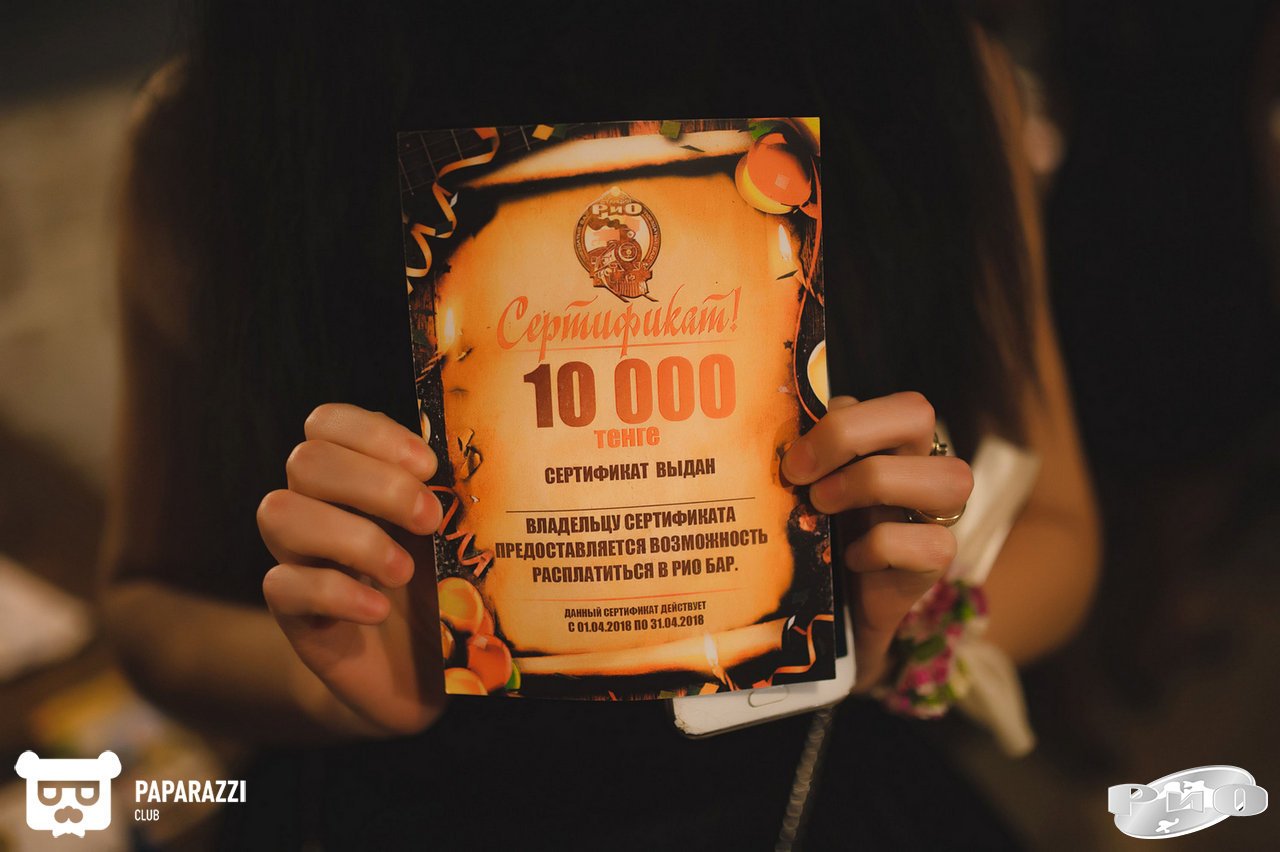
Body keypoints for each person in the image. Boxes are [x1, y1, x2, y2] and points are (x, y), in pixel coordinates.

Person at [100, 2, 1099, 848]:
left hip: (811, 791)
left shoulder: (917, 57)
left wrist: (890, 632)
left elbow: (1058, 535)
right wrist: (326, 678)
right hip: (387, 804)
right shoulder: (238, 110)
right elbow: (147, 601)